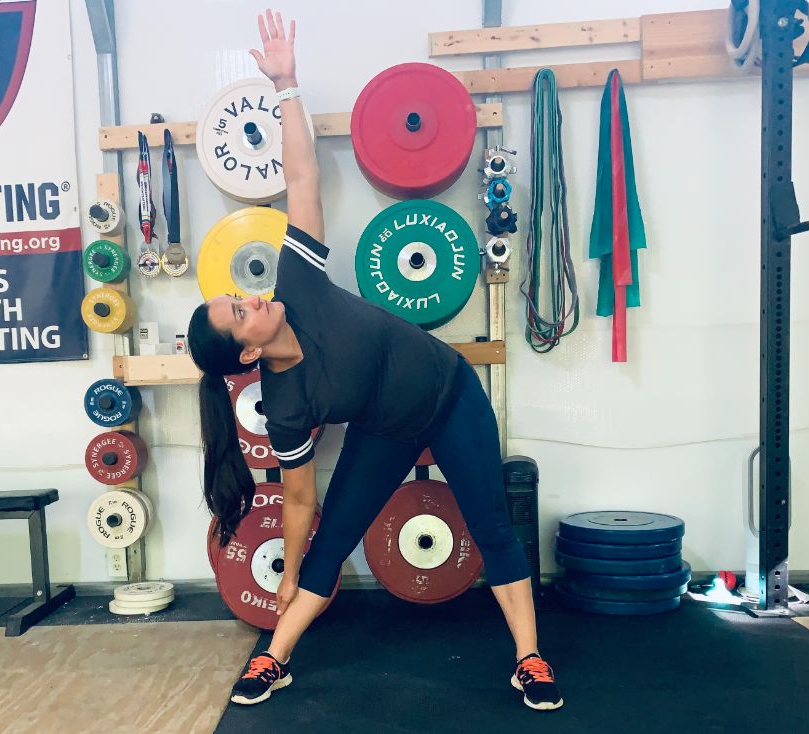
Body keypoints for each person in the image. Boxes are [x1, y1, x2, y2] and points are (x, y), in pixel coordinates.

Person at [187, 9, 564, 713]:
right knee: (331, 541)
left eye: (238, 296)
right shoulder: (285, 406)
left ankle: (529, 659)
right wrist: (289, 573)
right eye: (239, 311)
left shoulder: (297, 283)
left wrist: (286, 84)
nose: (250, 297)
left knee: (491, 525)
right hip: (386, 431)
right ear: (247, 349)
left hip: (450, 394)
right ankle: (273, 655)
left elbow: (302, 176)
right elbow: (300, 500)